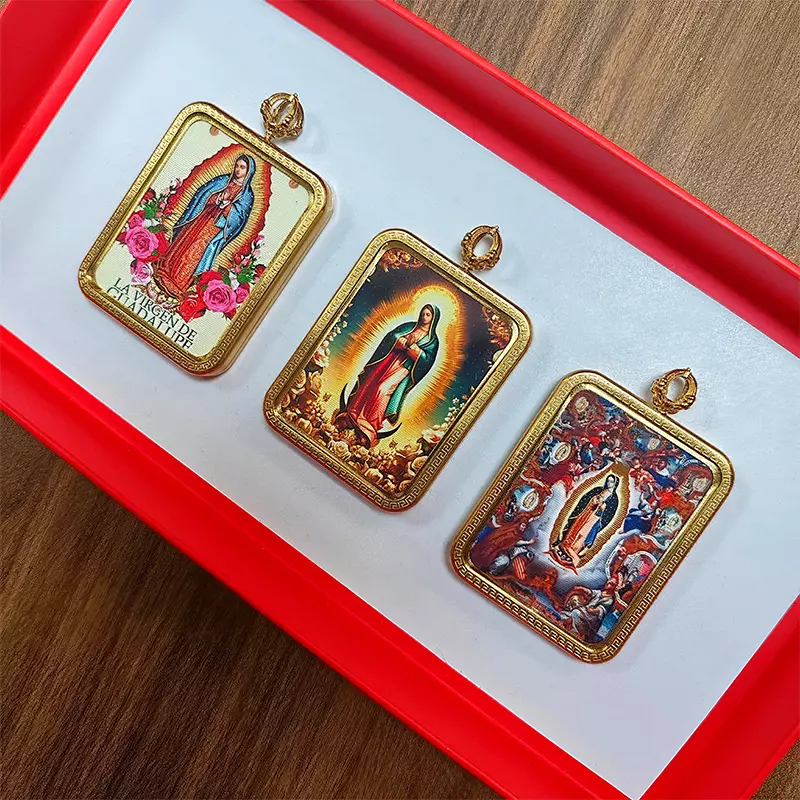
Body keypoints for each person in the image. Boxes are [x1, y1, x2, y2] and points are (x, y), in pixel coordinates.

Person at [333, 304, 440, 448]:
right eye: (423, 313)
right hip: (388, 361)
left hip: (404, 368)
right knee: (370, 384)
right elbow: (391, 336)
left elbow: (427, 360)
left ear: (434, 318)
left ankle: (369, 426)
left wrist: (414, 349)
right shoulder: (409, 326)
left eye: (428, 315)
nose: (424, 317)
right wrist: (402, 342)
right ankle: (353, 415)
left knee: (382, 390)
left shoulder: (432, 341)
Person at [156, 154, 257, 299]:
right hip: (202, 218)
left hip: (215, 228)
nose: (238, 170)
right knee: (185, 242)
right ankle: (166, 270)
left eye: (242, 167)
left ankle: (178, 284)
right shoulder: (223, 180)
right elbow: (203, 194)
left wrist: (228, 206)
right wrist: (217, 198)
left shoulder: (246, 195)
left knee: (197, 251)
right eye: (237, 166)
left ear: (249, 171)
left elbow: (240, 218)